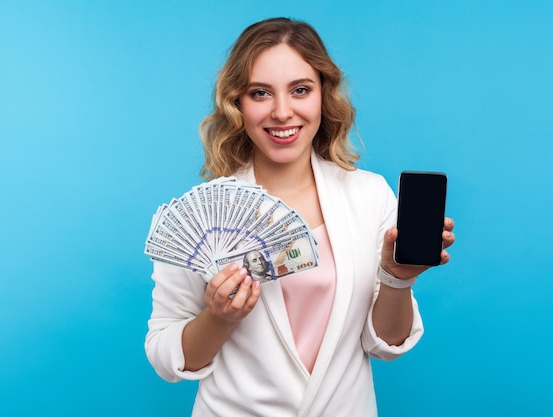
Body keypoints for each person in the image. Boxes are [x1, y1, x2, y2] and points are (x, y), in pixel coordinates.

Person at [145, 17, 455, 416]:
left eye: (300, 90)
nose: (281, 111)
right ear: (237, 102)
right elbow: (164, 356)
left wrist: (397, 278)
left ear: (323, 95)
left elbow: (387, 346)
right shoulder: (203, 216)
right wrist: (219, 319)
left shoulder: (369, 194)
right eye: (260, 93)